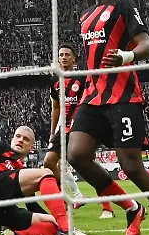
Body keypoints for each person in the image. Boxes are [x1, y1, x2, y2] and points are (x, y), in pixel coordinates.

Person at [66, 0, 149, 235]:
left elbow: (146, 45)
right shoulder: (85, 16)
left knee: (131, 166)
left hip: (124, 97)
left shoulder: (124, 5)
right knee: (76, 155)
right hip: (93, 97)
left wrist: (126, 57)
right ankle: (131, 208)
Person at [0, 127, 96, 235]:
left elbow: (32, 204)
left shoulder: (22, 171)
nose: (21, 140)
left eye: (26, 139)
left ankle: (13, 234)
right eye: (18, 136)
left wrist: (57, 217)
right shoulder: (1, 148)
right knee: (46, 172)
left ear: (31, 147)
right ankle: (66, 229)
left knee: (53, 223)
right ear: (12, 139)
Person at [44, 44, 113, 218]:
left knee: (87, 165)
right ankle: (70, 199)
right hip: (63, 129)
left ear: (74, 59)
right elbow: (56, 107)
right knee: (50, 162)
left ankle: (107, 207)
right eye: (61, 55)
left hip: (80, 127)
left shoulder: (82, 78)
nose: (64, 57)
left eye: (67, 54)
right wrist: (52, 132)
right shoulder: (54, 81)